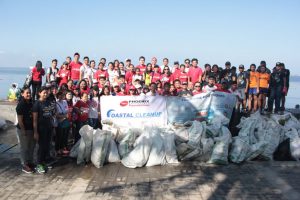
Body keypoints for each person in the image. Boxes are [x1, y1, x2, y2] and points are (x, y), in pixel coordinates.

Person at [33, 86, 55, 173]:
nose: (45, 94)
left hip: (49, 127)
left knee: (47, 146)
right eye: (44, 92)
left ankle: (44, 162)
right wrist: (35, 132)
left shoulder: (48, 102)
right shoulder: (37, 104)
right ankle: (38, 164)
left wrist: (52, 127)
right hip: (41, 128)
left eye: (46, 92)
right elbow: (34, 119)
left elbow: (51, 115)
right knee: (41, 147)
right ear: (39, 93)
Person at [16, 87, 35, 173]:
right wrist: (23, 131)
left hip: (31, 128)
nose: (29, 94)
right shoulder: (21, 105)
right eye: (27, 93)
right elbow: (20, 120)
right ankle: (24, 164)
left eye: (29, 92)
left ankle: (30, 162)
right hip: (23, 129)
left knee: (31, 146)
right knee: (24, 147)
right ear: (22, 94)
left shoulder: (31, 103)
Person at [55, 91, 70, 156]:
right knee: (59, 136)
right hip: (60, 122)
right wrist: (64, 116)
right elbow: (57, 115)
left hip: (65, 121)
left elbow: (67, 110)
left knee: (65, 135)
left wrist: (64, 115)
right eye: (59, 95)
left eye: (62, 95)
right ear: (57, 96)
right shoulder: (56, 103)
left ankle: (63, 148)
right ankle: (58, 149)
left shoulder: (65, 102)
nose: (61, 96)